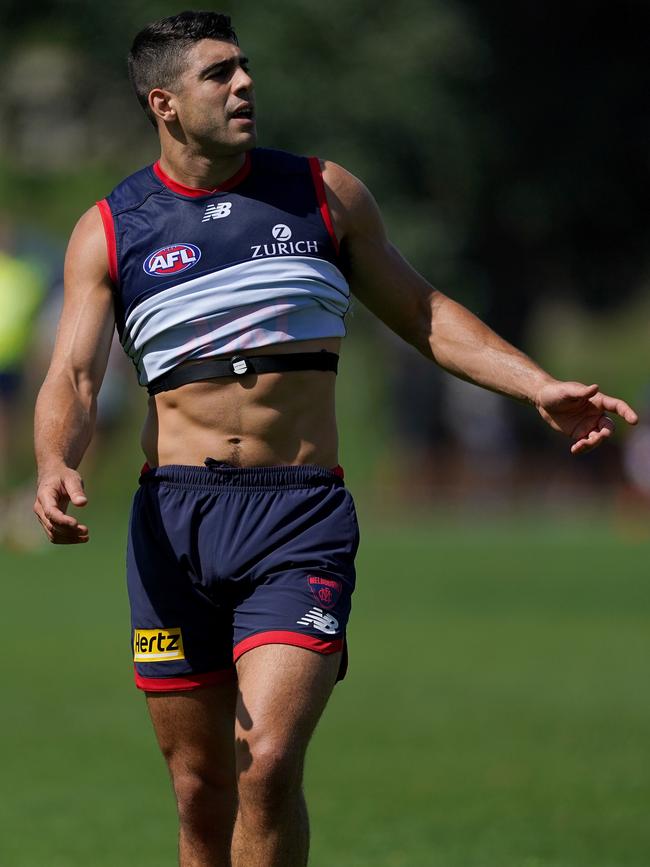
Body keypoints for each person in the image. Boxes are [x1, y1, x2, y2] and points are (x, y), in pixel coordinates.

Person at [32, 11, 638, 867]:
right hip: (174, 524)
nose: (245, 85)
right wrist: (55, 459)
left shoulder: (325, 193)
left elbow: (423, 312)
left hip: (298, 516)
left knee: (267, 760)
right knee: (199, 785)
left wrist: (537, 383)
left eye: (245, 68)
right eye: (220, 75)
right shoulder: (111, 227)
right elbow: (76, 373)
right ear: (163, 103)